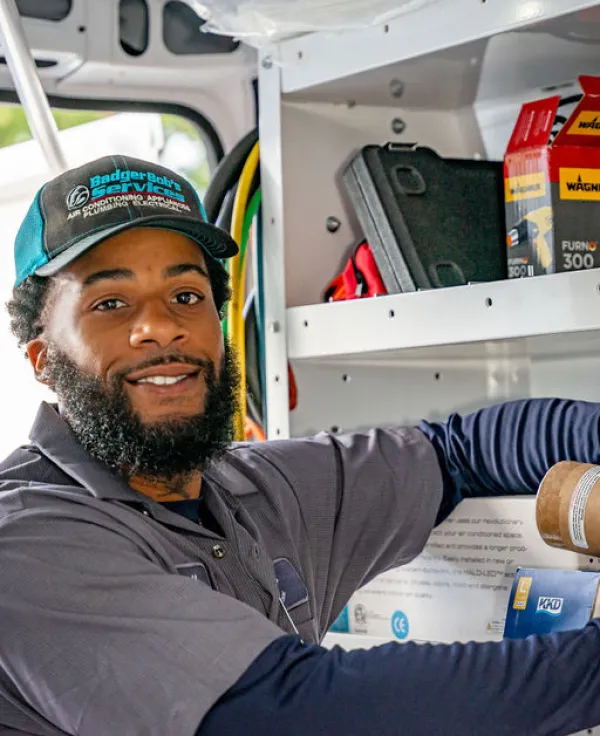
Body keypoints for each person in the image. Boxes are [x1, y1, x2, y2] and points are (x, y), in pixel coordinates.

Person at [0, 154, 600, 736]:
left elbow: (460, 451)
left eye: (186, 295)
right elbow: (297, 711)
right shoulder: (24, 542)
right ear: (42, 359)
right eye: (110, 303)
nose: (161, 325)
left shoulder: (257, 489)